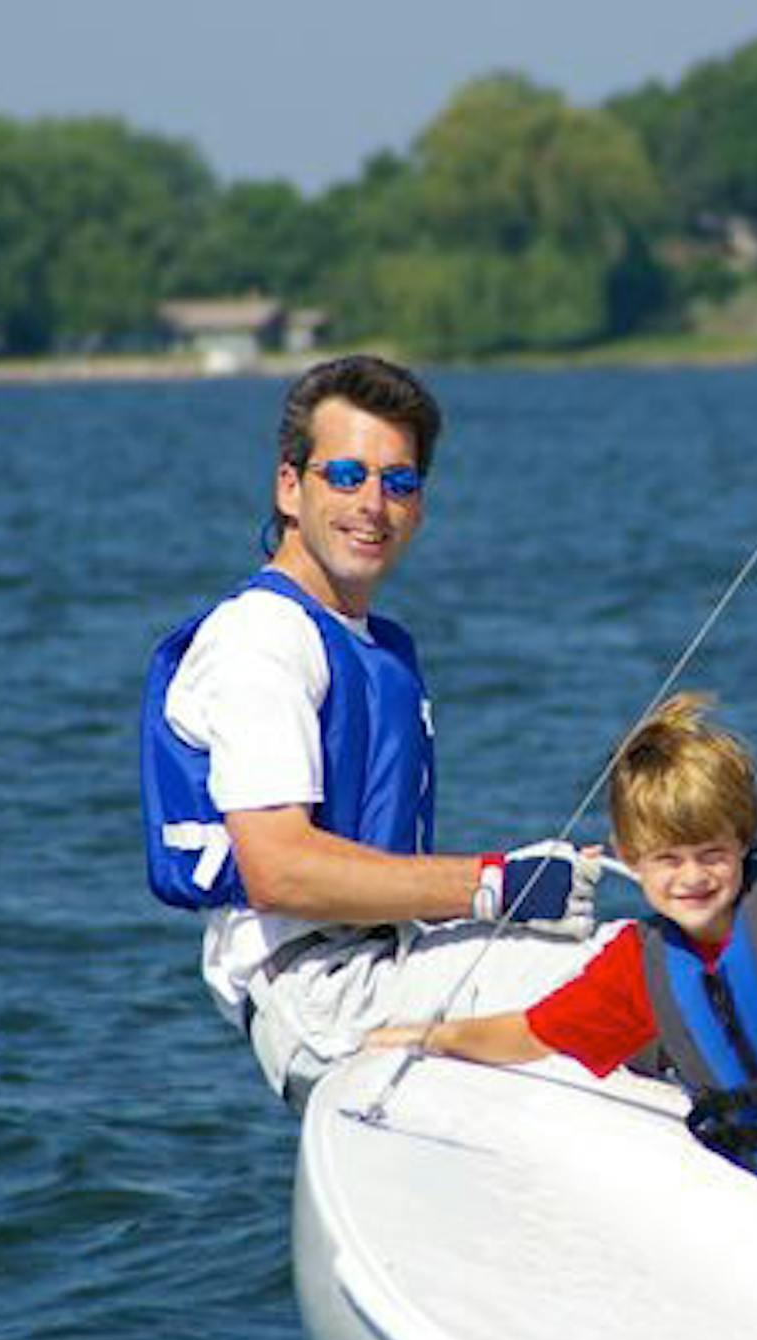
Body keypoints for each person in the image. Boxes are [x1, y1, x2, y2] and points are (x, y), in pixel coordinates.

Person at [368, 693, 757, 1291]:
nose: (691, 877)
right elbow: (532, 1033)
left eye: (711, 854)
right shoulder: (639, 963)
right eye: (667, 859)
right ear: (631, 859)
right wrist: (433, 1035)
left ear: (744, 841)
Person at [141, 354, 611, 1108]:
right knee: (654, 978)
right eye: (346, 475)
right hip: (321, 995)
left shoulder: (369, 641)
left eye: (399, 483)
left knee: (675, 958)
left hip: (386, 962)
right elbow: (280, 871)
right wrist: (499, 885)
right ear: (289, 487)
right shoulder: (263, 639)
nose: (373, 504)